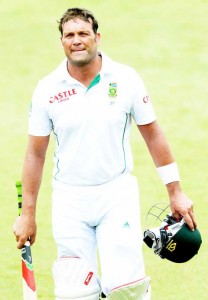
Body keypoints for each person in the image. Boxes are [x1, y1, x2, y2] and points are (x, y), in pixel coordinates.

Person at [12, 7, 197, 300]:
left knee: (127, 290)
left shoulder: (126, 79)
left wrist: (175, 191)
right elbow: (35, 154)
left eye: (83, 33)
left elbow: (153, 134)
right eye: (69, 35)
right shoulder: (46, 89)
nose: (76, 40)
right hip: (69, 201)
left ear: (97, 37)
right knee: (75, 293)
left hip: (116, 195)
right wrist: (28, 215)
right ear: (61, 41)